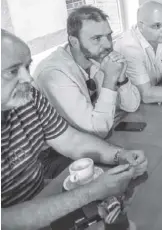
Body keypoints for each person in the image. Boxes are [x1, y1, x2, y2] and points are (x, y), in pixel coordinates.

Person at [1, 29, 148, 230]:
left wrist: (120, 155)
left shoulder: (28, 98)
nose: (28, 78)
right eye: (12, 71)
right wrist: (92, 191)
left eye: (27, 66)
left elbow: (71, 140)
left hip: (42, 199)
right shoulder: (52, 75)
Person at [33, 6, 140, 139]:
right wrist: (110, 79)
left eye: (109, 36)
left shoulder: (96, 57)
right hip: (58, 154)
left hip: (96, 140)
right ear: (74, 42)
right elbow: (97, 131)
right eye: (96, 38)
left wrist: (122, 78)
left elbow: (132, 106)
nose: (108, 45)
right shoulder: (54, 74)